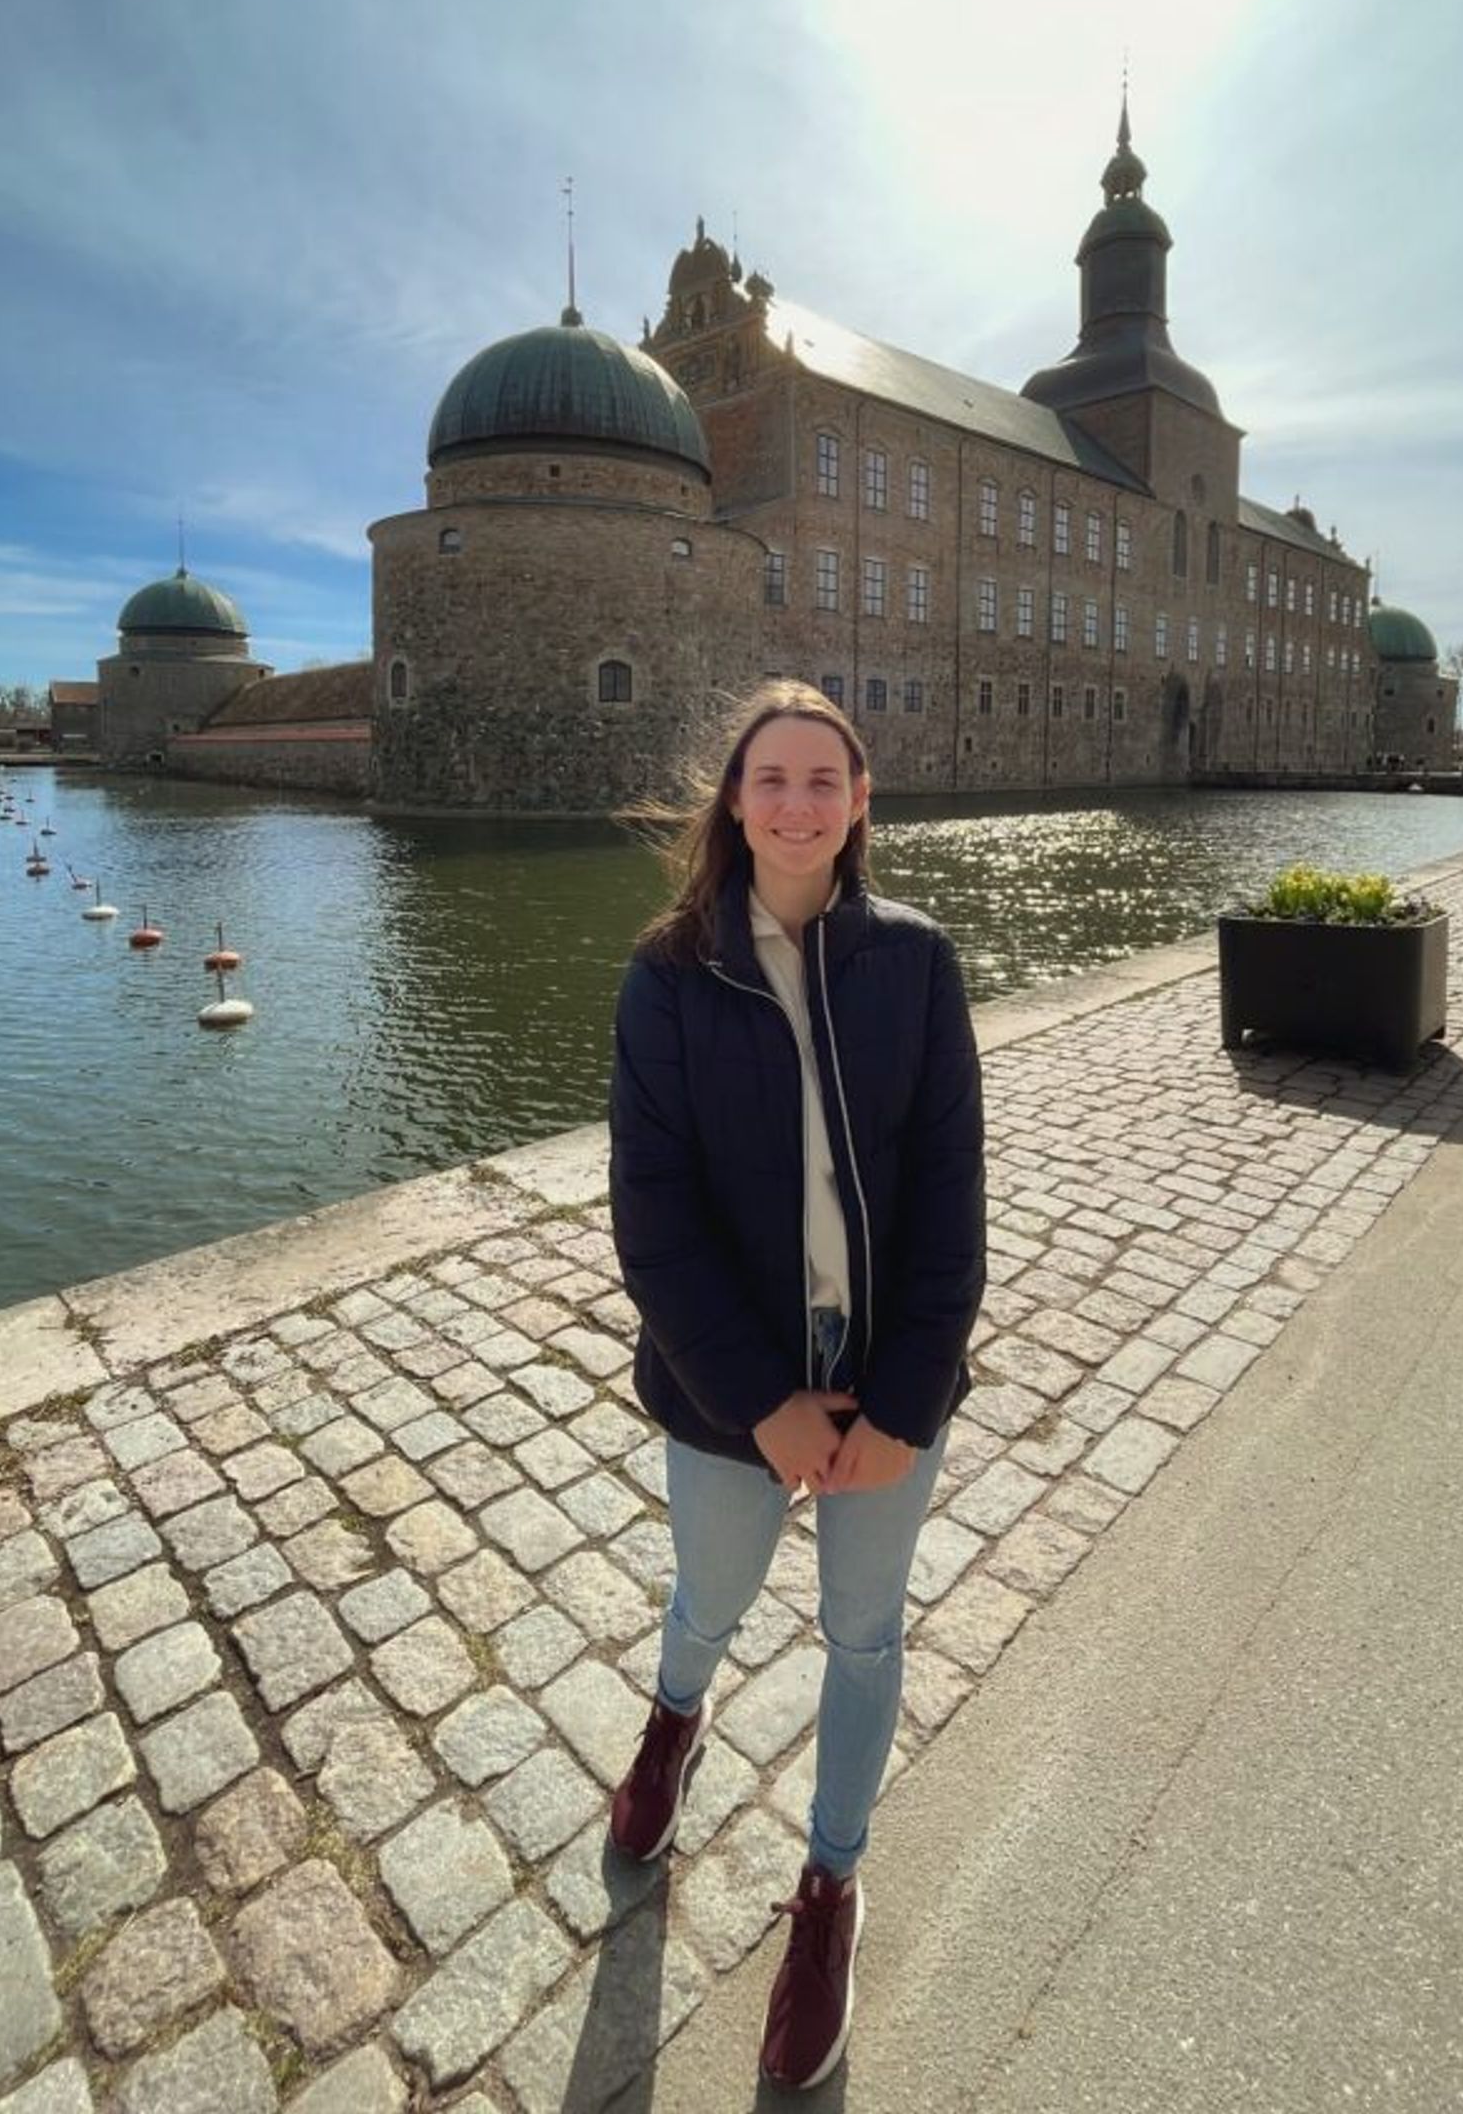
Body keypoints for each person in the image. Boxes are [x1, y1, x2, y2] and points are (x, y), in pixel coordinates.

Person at [607, 679, 987, 2090]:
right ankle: (675, 1721)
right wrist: (763, 1400)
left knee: (864, 1636)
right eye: (772, 777)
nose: (796, 803)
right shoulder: (667, 974)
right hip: (728, 1397)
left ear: (861, 801)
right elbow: (652, 1218)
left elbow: (952, 1202)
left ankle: (828, 1890)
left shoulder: (917, 962)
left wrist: (901, 1405)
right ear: (734, 798)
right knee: (706, 1599)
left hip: (890, 1388)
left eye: (824, 778)